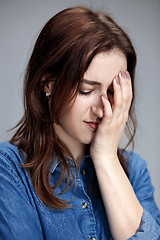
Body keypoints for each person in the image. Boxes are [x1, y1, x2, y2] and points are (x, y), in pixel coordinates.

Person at [0, 6, 160, 240]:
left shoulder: (134, 171)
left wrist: (106, 157)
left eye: (114, 92)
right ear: (48, 85)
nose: (102, 108)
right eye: (86, 90)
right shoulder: (10, 170)